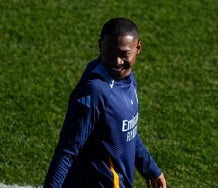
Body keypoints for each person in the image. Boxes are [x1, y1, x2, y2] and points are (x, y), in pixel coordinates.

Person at [44, 17, 166, 188]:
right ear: (100, 45)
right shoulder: (95, 90)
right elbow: (67, 150)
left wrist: (149, 167)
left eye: (124, 54)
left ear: (138, 48)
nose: (117, 62)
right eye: (109, 53)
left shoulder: (127, 79)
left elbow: (123, 130)